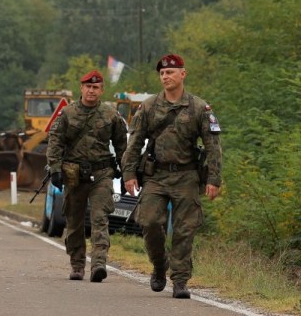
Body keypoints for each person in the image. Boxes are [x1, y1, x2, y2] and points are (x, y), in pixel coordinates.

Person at [121, 53, 222, 300]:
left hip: (187, 175)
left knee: (185, 230)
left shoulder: (199, 107)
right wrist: (129, 173)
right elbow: (135, 142)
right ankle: (159, 265)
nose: (165, 76)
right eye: (162, 73)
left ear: (182, 74)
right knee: (150, 222)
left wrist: (214, 178)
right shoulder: (149, 106)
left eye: (170, 72)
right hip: (156, 176)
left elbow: (213, 145)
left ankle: (180, 280)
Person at [46, 70, 128, 282]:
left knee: (100, 217)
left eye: (96, 87)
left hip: (102, 173)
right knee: (74, 220)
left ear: (101, 90)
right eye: (88, 87)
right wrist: (55, 168)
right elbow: (55, 142)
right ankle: (77, 264)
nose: (91, 90)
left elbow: (122, 146)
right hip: (74, 174)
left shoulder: (111, 116)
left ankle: (99, 263)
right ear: (81, 88)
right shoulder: (67, 114)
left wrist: (128, 173)